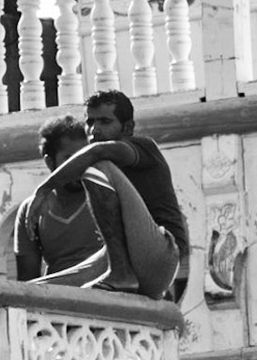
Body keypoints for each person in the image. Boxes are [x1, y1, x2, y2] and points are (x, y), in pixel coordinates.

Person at [23, 90, 187, 300]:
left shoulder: (143, 147)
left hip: (162, 254)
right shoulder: (103, 164)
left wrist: (44, 189)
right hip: (126, 258)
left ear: (128, 128)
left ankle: (120, 275)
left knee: (96, 167)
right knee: (34, 291)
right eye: (90, 122)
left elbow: (98, 152)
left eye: (105, 122)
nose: (94, 130)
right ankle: (120, 273)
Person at [15, 115, 112, 285]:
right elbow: (27, 279)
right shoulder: (31, 210)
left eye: (84, 157)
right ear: (50, 162)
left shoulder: (107, 196)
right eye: (70, 159)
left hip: (106, 290)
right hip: (57, 297)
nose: (79, 165)